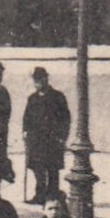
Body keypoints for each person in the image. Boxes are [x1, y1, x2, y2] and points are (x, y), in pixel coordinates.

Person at [21, 67, 70, 204]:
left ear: (46, 79)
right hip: (36, 140)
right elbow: (27, 118)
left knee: (53, 168)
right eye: (36, 80)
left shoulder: (58, 97)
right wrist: (25, 131)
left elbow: (65, 119)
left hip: (53, 140)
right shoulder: (32, 99)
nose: (38, 83)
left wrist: (62, 137)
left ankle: (53, 195)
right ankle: (40, 195)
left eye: (41, 79)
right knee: (37, 168)